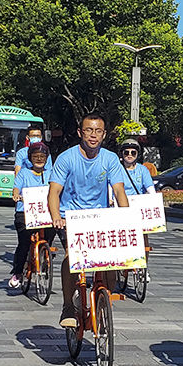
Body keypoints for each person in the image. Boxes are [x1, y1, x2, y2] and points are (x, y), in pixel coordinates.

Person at [48, 113, 128, 327]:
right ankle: (67, 304)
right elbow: (54, 191)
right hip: (70, 217)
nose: (93, 135)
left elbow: (119, 190)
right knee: (71, 258)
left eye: (98, 131)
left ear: (104, 134)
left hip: (98, 218)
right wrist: (56, 217)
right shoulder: (67, 158)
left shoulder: (110, 158)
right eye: (89, 130)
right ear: (80, 132)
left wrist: (126, 216)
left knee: (110, 262)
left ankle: (104, 299)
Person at [9, 142, 56, 288]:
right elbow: (16, 188)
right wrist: (16, 195)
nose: (39, 159)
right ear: (30, 158)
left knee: (51, 232)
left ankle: (45, 255)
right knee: (24, 242)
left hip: (46, 212)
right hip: (25, 211)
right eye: (36, 156)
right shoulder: (24, 172)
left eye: (42, 156)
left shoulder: (52, 173)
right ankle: (17, 272)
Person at [117, 138, 156, 282]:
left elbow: (150, 188)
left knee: (144, 238)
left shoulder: (142, 169)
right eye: (126, 152)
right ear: (122, 154)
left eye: (133, 152)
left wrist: (152, 199)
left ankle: (143, 268)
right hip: (121, 206)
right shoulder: (117, 169)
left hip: (138, 207)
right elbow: (112, 187)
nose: (129, 155)